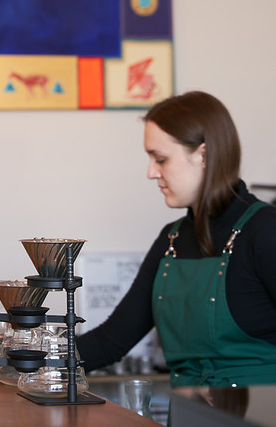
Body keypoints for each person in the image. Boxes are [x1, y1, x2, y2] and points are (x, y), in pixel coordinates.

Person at [76, 90, 276, 387]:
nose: (151, 172)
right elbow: (110, 341)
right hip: (189, 410)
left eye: (161, 159)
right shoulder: (171, 239)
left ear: (204, 155)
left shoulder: (265, 231)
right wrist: (25, 356)